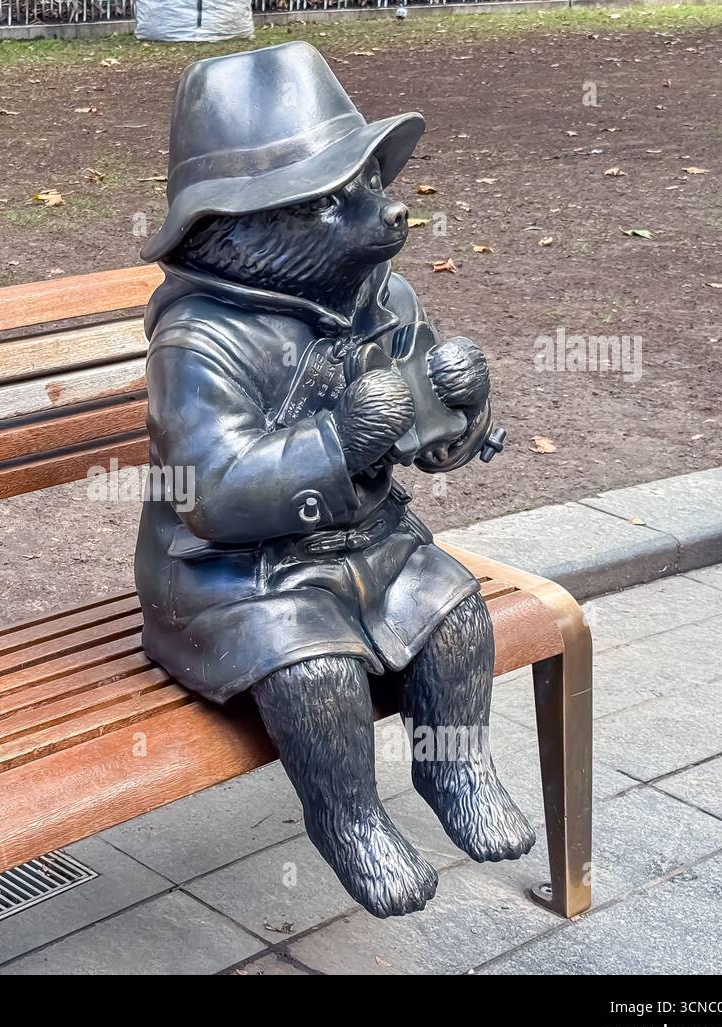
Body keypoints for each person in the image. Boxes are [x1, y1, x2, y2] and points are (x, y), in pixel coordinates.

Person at [136, 42, 534, 918]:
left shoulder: (378, 297)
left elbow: (432, 441)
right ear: (243, 229)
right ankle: (349, 818)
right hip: (230, 576)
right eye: (337, 203)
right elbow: (212, 489)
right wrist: (337, 439)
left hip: (372, 547)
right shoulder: (200, 341)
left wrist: (461, 406)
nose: (383, 211)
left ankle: (455, 764)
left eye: (368, 183)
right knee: (313, 671)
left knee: (458, 613)